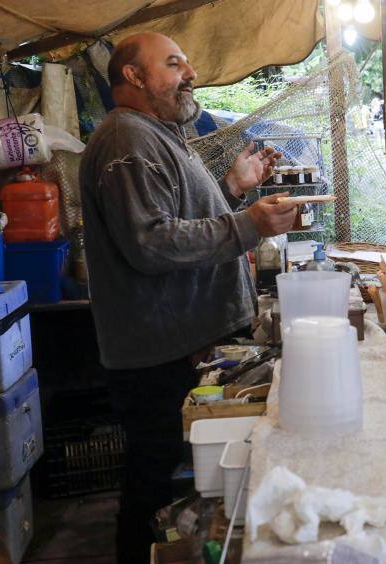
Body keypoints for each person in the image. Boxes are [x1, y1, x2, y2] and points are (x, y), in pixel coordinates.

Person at [80, 32, 297, 562]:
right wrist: (246, 226)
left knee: (169, 476)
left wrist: (233, 189)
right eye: (174, 64)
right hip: (158, 354)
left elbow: (177, 218)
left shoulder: (152, 133)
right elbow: (151, 242)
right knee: (152, 480)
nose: (191, 73)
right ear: (133, 76)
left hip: (178, 343)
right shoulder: (126, 142)